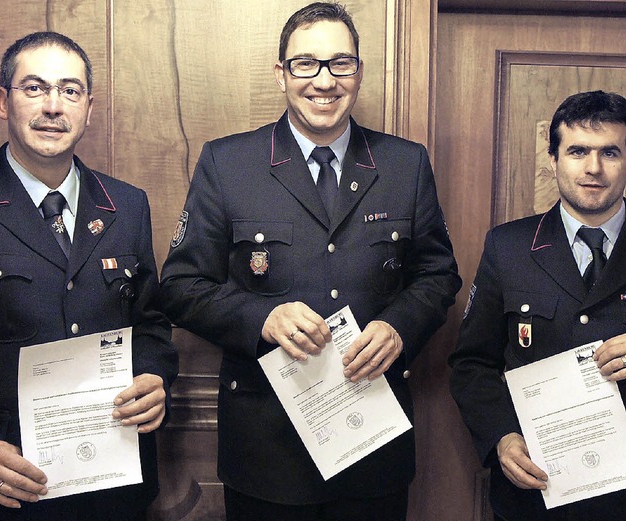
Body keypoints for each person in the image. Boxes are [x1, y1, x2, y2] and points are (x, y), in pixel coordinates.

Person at [160, 2, 461, 520]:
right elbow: (181, 286)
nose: (324, 81)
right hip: (266, 451)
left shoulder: (404, 163)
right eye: (306, 63)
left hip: (373, 445)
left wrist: (398, 326)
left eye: (340, 63)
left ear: (359, 72)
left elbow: (438, 274)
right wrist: (262, 318)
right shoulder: (228, 163)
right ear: (281, 73)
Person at [0, 32, 178, 520]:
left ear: (89, 108)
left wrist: (155, 377)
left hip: (114, 485)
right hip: (13, 486)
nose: (53, 106)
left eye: (70, 90)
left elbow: (152, 325)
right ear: (2, 101)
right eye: (34, 88)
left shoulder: (128, 204)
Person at [449, 90, 626, 521]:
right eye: (577, 151)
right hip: (535, 497)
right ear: (552, 160)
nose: (593, 168)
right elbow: (472, 363)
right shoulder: (508, 247)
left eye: (610, 151)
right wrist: (501, 437)